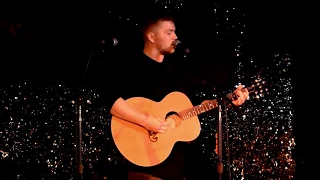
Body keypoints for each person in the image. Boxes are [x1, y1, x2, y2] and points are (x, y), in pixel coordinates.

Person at [96, 13, 249, 180]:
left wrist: (229, 99)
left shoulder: (177, 71)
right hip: (144, 166)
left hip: (177, 167)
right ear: (151, 36)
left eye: (175, 32)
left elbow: (197, 107)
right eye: (169, 33)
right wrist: (146, 121)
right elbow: (109, 99)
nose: (175, 37)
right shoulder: (131, 66)